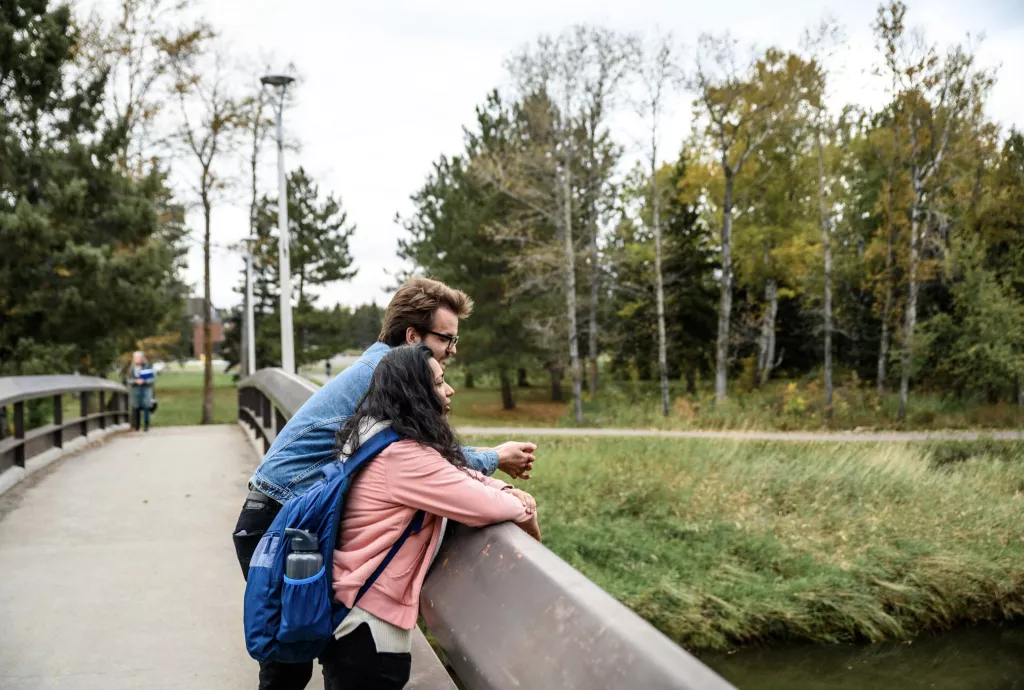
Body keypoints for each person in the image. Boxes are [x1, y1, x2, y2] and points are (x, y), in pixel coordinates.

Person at [233, 277, 537, 690]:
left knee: (305, 652)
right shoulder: (387, 374)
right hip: (278, 522)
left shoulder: (385, 369)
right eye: (446, 339)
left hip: (286, 517)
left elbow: (416, 457)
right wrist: (494, 458)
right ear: (412, 336)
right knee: (289, 661)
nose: (452, 351)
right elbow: (412, 462)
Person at [322, 344, 540, 689]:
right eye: (439, 383)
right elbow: (488, 506)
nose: (449, 389)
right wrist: (524, 504)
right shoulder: (404, 458)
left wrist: (499, 488)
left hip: (353, 619)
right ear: (416, 393)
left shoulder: (381, 439)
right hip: (369, 629)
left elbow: (459, 474)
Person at [127, 351, 155, 432]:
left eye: (137, 358)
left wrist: (144, 381)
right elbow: (128, 380)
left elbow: (153, 379)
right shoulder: (132, 368)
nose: (135, 359)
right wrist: (135, 381)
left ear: (142, 358)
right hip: (136, 390)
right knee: (136, 407)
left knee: (146, 406)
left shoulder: (148, 367)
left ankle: (146, 425)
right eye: (134, 358)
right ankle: (137, 426)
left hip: (146, 389)